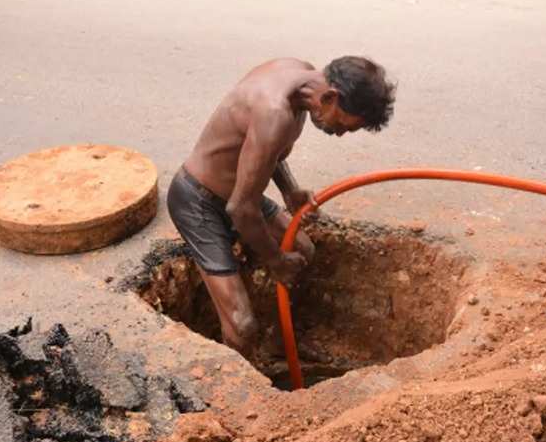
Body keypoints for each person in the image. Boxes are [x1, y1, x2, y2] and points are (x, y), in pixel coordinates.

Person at [167, 56, 396, 359]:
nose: (339, 133)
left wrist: (290, 190)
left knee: (304, 250)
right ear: (330, 98)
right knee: (241, 324)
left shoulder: (299, 76)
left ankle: (279, 342)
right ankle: (239, 391)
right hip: (198, 202)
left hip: (239, 192)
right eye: (342, 125)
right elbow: (240, 210)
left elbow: (263, 150)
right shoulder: (274, 113)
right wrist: (275, 260)